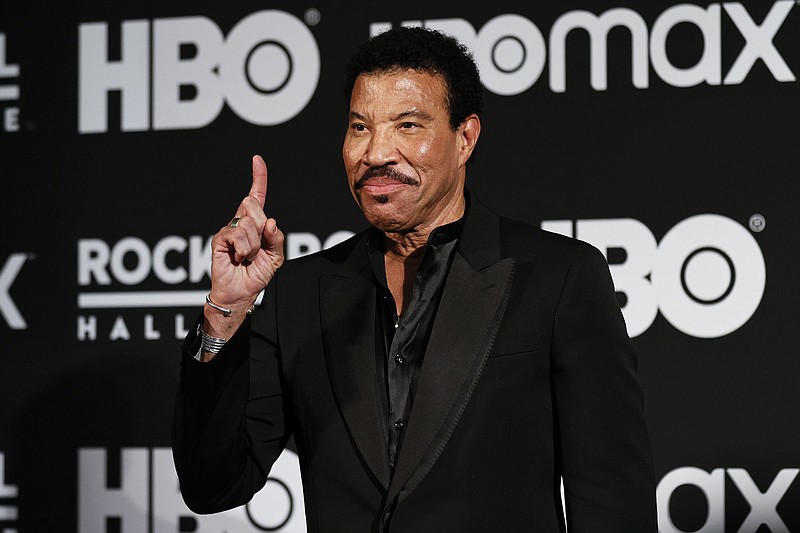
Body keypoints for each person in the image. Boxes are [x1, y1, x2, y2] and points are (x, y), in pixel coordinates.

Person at [172, 26, 657, 532]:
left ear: (465, 137)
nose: (376, 153)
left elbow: (613, 503)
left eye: (406, 125)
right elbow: (212, 486)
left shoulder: (559, 279)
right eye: (360, 127)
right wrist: (224, 315)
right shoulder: (301, 292)